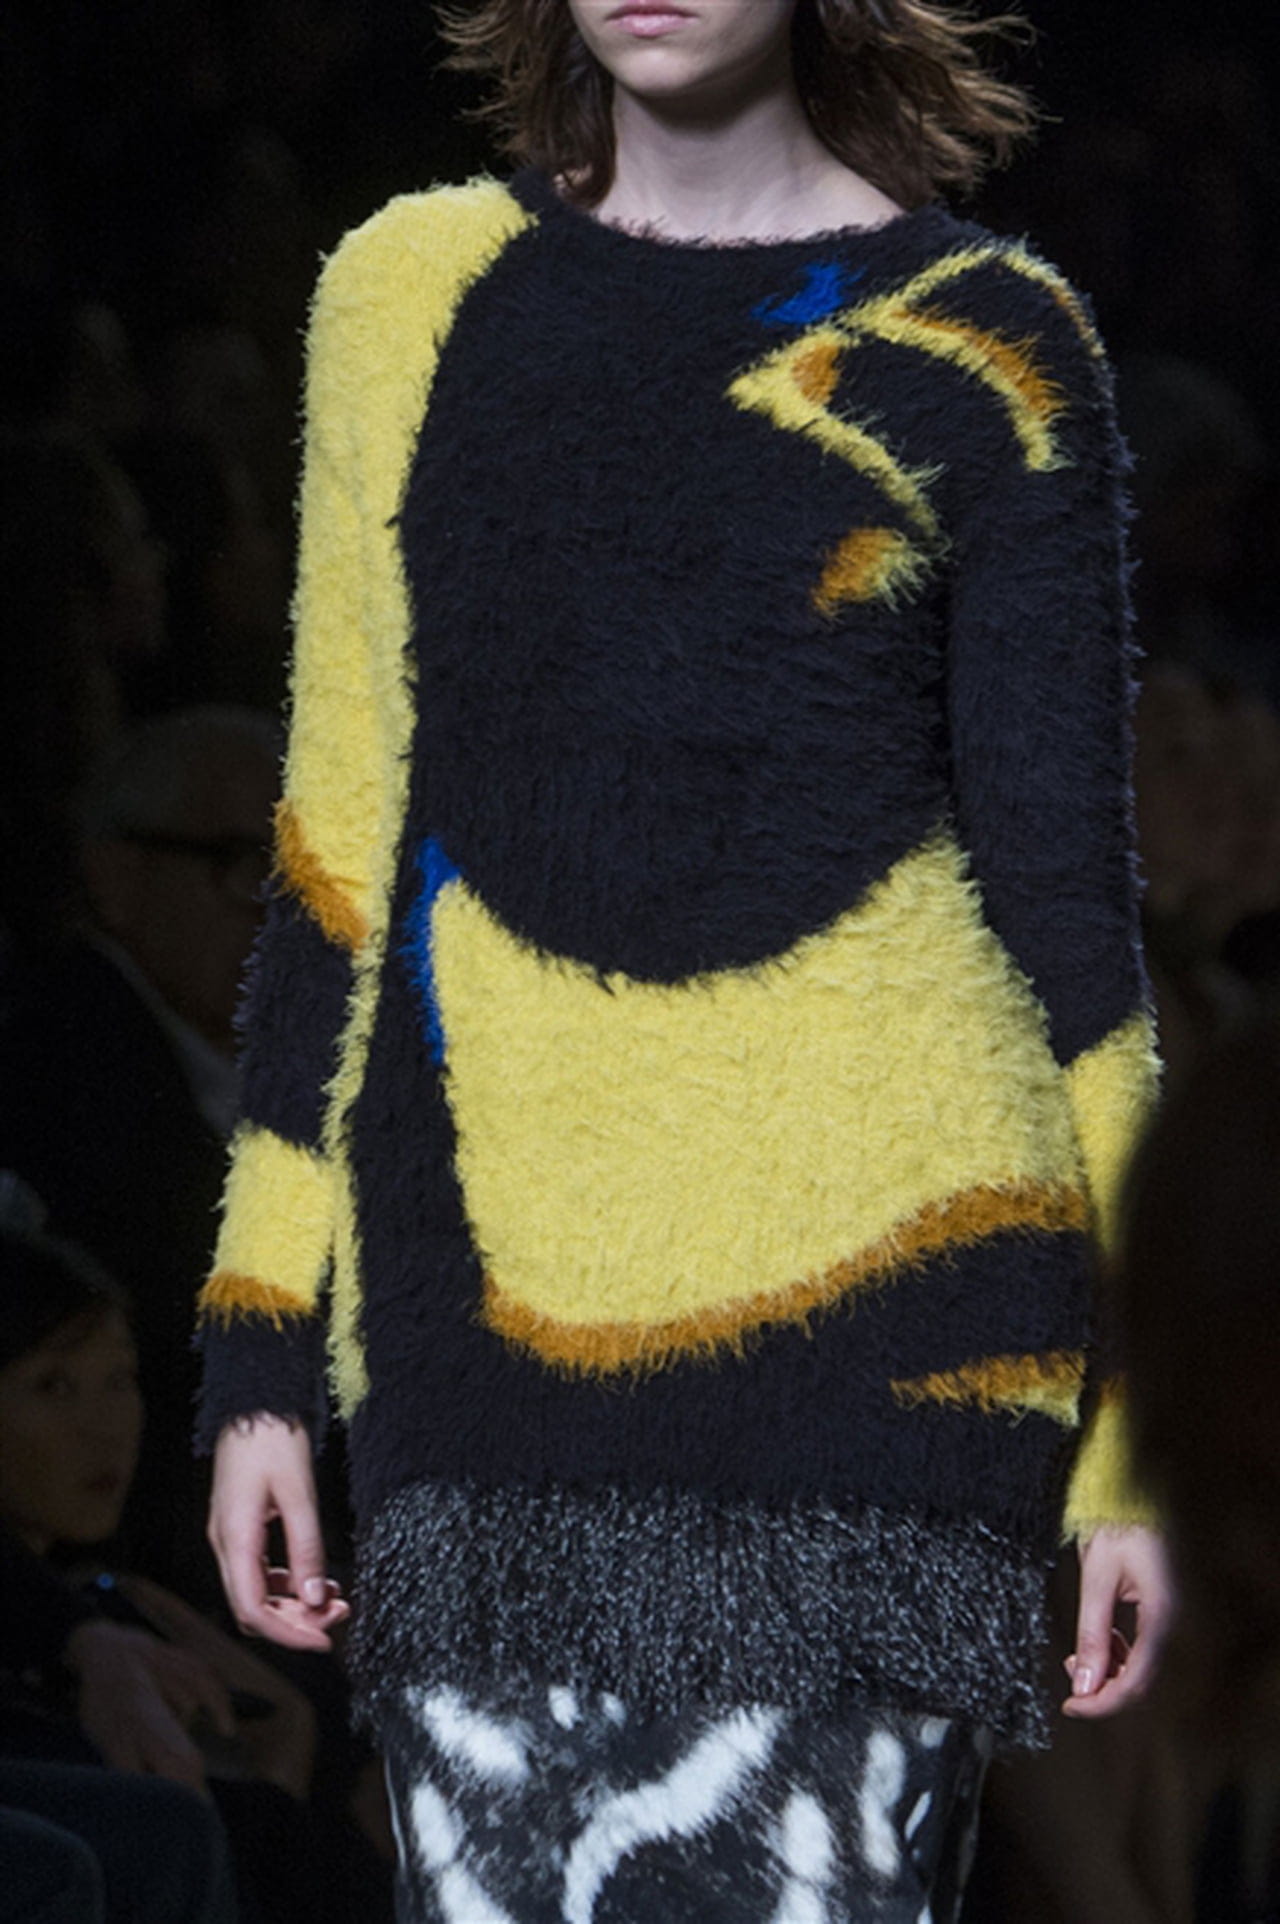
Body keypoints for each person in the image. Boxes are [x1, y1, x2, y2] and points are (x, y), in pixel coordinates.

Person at [198, 3, 1172, 1916]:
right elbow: (341, 832)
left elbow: (1070, 905)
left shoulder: (993, 335)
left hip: (903, 1323)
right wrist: (254, 1350)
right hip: (473, 1322)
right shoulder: (406, 292)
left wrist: (1142, 1436)